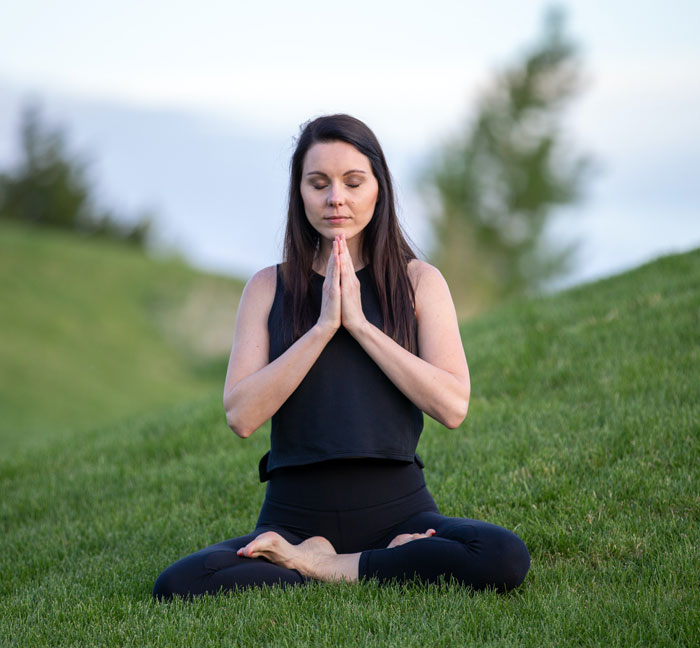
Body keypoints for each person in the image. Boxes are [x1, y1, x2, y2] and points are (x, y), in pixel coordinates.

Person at [152, 114, 530, 598]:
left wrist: (360, 325)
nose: (336, 198)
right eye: (318, 183)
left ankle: (325, 566)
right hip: (293, 518)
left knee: (502, 556)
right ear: (300, 193)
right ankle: (359, 561)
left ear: (379, 188)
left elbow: (453, 406)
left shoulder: (419, 283)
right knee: (179, 583)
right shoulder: (267, 287)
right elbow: (241, 416)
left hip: (401, 512)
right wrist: (324, 326)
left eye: (353, 182)